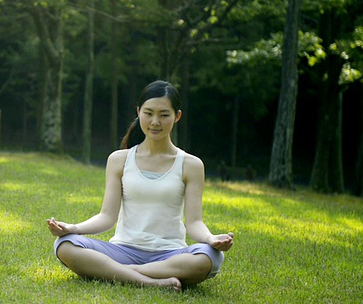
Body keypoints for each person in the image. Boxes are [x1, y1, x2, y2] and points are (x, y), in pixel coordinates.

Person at [47, 80, 234, 292]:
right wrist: (72, 228)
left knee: (210, 256)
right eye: (148, 113)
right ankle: (149, 280)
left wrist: (211, 239)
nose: (155, 121)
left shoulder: (191, 165)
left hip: (169, 254)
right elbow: (107, 217)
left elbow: (194, 223)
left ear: (177, 116)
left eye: (164, 115)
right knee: (65, 244)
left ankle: (120, 272)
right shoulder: (119, 160)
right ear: (138, 112)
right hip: (123, 250)